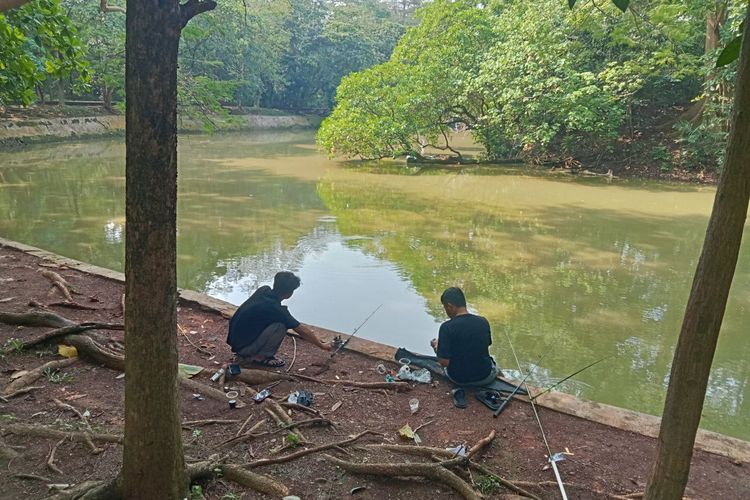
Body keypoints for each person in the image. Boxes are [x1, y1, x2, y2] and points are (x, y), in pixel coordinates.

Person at [227, 271, 329, 367]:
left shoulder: (263, 290)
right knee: (280, 326)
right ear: (289, 294)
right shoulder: (276, 310)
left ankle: (250, 351)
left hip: (235, 341)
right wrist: (322, 345)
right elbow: (301, 330)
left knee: (275, 322)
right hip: (243, 348)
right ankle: (261, 357)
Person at [430, 287, 498, 387]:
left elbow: (444, 362)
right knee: (492, 361)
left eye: (445, 308)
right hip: (485, 376)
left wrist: (436, 346)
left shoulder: (446, 327)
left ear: (449, 306)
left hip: (459, 379)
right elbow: (485, 345)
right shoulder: (483, 321)